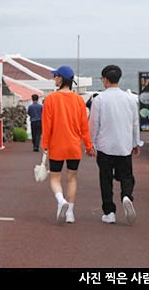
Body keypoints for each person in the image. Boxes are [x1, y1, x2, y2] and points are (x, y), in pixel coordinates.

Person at [90, 64, 144, 225]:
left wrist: (90, 144)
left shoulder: (99, 99)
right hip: (124, 146)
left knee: (105, 180)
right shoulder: (129, 99)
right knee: (127, 176)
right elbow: (135, 123)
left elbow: (94, 124)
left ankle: (109, 212)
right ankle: (126, 196)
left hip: (105, 147)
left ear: (105, 80)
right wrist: (136, 143)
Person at [41, 65, 95, 225]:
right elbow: (84, 126)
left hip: (56, 145)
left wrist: (45, 145)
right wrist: (89, 146)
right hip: (74, 145)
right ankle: (70, 212)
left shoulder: (50, 99)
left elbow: (47, 125)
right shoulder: (79, 100)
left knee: (55, 178)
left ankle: (60, 200)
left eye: (55, 76)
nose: (54, 79)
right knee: (72, 178)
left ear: (61, 78)